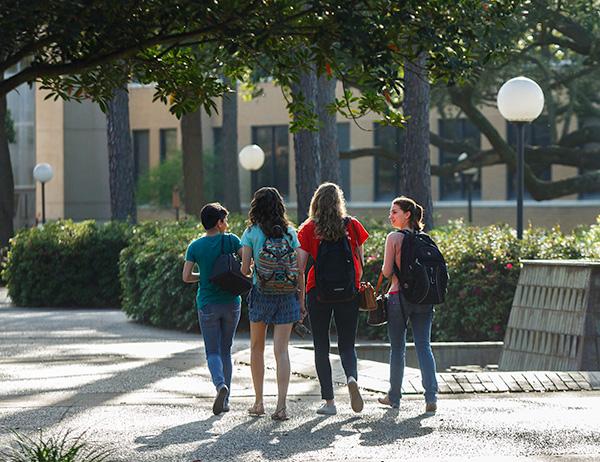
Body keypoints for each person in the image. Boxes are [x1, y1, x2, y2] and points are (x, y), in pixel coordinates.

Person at [297, 183, 369, 416]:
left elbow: (299, 267)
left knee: (321, 346)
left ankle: (329, 402)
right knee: (347, 345)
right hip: (348, 292)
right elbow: (361, 262)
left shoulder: (309, 228)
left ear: (316, 202)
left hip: (318, 292)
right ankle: (351, 378)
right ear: (339, 202)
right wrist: (355, 286)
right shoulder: (352, 225)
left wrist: (299, 300)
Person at [240, 187, 305, 421]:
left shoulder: (251, 232)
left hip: (261, 293)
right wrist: (301, 300)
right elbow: (299, 270)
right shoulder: (290, 232)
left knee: (257, 348)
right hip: (287, 296)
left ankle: (259, 403)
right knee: (282, 351)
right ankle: (281, 406)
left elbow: (245, 269)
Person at [379, 196, 438, 412]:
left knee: (398, 348)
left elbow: (386, 272)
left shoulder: (394, 238)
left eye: (395, 211)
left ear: (407, 215)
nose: (391, 215)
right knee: (424, 345)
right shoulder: (425, 238)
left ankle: (394, 397)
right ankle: (431, 397)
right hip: (424, 299)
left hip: (398, 297)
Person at [182, 202, 242, 416]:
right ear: (219, 222)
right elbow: (246, 264)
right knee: (226, 349)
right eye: (225, 220)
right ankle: (225, 401)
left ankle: (219, 386)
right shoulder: (232, 240)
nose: (227, 224)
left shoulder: (195, 247)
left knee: (212, 351)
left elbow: (186, 277)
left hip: (207, 303)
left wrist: (205, 276)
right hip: (232, 303)